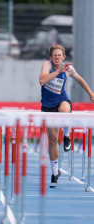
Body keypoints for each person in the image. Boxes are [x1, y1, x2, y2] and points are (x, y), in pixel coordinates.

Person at [39, 44, 94, 187]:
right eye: (54, 55)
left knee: (64, 109)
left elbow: (80, 80)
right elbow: (42, 81)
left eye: (59, 55)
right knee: (52, 139)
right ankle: (55, 172)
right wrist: (58, 72)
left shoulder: (68, 69)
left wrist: (91, 94)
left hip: (62, 101)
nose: (57, 58)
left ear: (63, 57)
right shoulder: (47, 65)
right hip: (48, 106)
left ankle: (67, 135)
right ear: (51, 57)